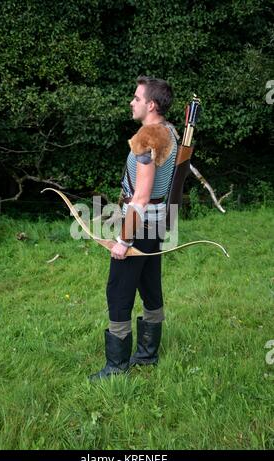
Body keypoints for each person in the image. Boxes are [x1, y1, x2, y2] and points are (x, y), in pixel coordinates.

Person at [89, 76, 178, 381]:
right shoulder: (170, 131)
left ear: (151, 105)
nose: (132, 101)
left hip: (139, 224)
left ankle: (116, 367)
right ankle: (148, 354)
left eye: (137, 98)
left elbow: (140, 196)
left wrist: (123, 240)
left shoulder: (147, 138)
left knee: (119, 291)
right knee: (150, 285)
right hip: (156, 223)